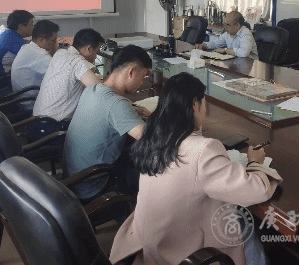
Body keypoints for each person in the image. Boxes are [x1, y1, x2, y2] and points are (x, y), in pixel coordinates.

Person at [110, 72, 282, 265]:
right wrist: (255, 163)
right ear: (194, 104)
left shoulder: (153, 136)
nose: (205, 110)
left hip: (150, 244)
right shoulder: (203, 150)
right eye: (204, 103)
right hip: (179, 254)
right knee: (245, 224)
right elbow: (257, 190)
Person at [63, 45, 153, 201]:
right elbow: (151, 139)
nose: (141, 83)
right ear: (131, 71)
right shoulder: (117, 105)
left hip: (73, 179)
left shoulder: (93, 89)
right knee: (151, 158)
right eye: (143, 76)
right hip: (93, 187)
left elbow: (108, 110)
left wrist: (130, 110)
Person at [32, 28, 104, 124]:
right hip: (53, 126)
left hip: (36, 120)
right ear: (89, 49)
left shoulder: (60, 53)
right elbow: (102, 92)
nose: (96, 56)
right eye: (97, 52)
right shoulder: (78, 62)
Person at [10, 19, 59, 95]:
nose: (56, 43)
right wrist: (57, 52)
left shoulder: (27, 47)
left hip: (22, 95)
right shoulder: (40, 55)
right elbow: (61, 74)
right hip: (31, 99)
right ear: (42, 40)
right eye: (53, 40)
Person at [0, 9, 34, 77]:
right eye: (31, 24)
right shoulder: (18, 44)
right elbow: (32, 59)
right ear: (21, 27)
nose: (33, 27)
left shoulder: (6, 33)